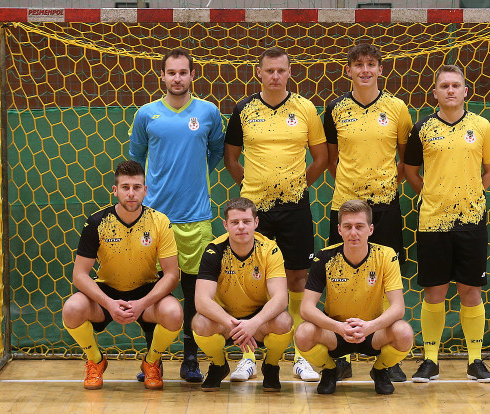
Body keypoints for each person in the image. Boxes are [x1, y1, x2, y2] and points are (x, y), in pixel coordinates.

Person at [224, 47, 328, 381]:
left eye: (281, 70)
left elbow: (321, 158)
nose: (275, 76)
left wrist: (296, 186)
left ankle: (300, 356)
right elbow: (231, 159)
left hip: (294, 208)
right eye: (269, 70)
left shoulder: (306, 108)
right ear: (259, 73)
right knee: (252, 280)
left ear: (289, 72)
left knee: (298, 278)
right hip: (255, 210)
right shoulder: (243, 109)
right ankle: (248, 357)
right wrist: (252, 188)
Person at [129, 48, 225, 382]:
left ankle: (190, 359)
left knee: (195, 295)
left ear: (192, 75)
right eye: (171, 72)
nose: (177, 78)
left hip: (197, 219)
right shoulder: (146, 114)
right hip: (155, 222)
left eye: (183, 72)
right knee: (152, 294)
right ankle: (152, 360)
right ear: (162, 76)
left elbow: (216, 152)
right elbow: (136, 159)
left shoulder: (209, 112)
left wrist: (196, 174)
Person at [404, 65, 490, 383]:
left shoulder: (481, 126)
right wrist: (431, 195)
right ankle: (430, 361)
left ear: (465, 91)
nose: (450, 90)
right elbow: (411, 171)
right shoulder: (422, 128)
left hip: (471, 221)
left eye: (455, 85)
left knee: (470, 290)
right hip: (433, 222)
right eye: (444, 86)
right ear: (435, 93)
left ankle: (475, 361)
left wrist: (472, 194)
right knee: (435, 292)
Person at [323, 43, 413, 382]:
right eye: (358, 64)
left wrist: (386, 186)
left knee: (387, 280)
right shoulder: (334, 108)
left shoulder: (397, 108)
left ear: (380, 69)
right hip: (345, 206)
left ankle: (388, 358)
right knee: (339, 281)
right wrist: (352, 191)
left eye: (371, 64)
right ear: (348, 70)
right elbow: (331, 158)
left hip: (385, 206)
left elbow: (405, 158)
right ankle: (340, 356)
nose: (365, 70)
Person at [62, 160, 183, 390]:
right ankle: (95, 360)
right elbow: (79, 275)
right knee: (72, 308)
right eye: (125, 187)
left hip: (146, 292)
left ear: (145, 190)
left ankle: (151, 362)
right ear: (115, 190)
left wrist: (142, 303)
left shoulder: (159, 221)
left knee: (174, 313)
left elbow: (171, 275)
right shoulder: (97, 222)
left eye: (136, 187)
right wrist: (108, 303)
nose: (131, 193)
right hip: (107, 292)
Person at [295, 200, 413, 395]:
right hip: (336, 332)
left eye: (359, 226)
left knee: (404, 332)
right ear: (339, 230)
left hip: (373, 331)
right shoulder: (324, 257)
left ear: (370, 229)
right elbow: (306, 308)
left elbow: (398, 307)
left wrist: (370, 327)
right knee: (303, 333)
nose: (353, 233)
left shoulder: (386, 255)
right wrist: (339, 328)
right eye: (347, 227)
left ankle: (380, 370)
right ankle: (330, 370)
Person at [192, 197, 294, 392]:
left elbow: (281, 298)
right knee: (200, 322)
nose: (241, 227)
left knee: (284, 321)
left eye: (246, 221)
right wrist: (236, 326)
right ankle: (219, 365)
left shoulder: (270, 249)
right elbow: (201, 301)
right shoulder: (214, 250)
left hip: (259, 320)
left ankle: (271, 366)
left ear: (256, 222)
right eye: (235, 222)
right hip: (225, 319)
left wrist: (253, 323)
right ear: (225, 225)